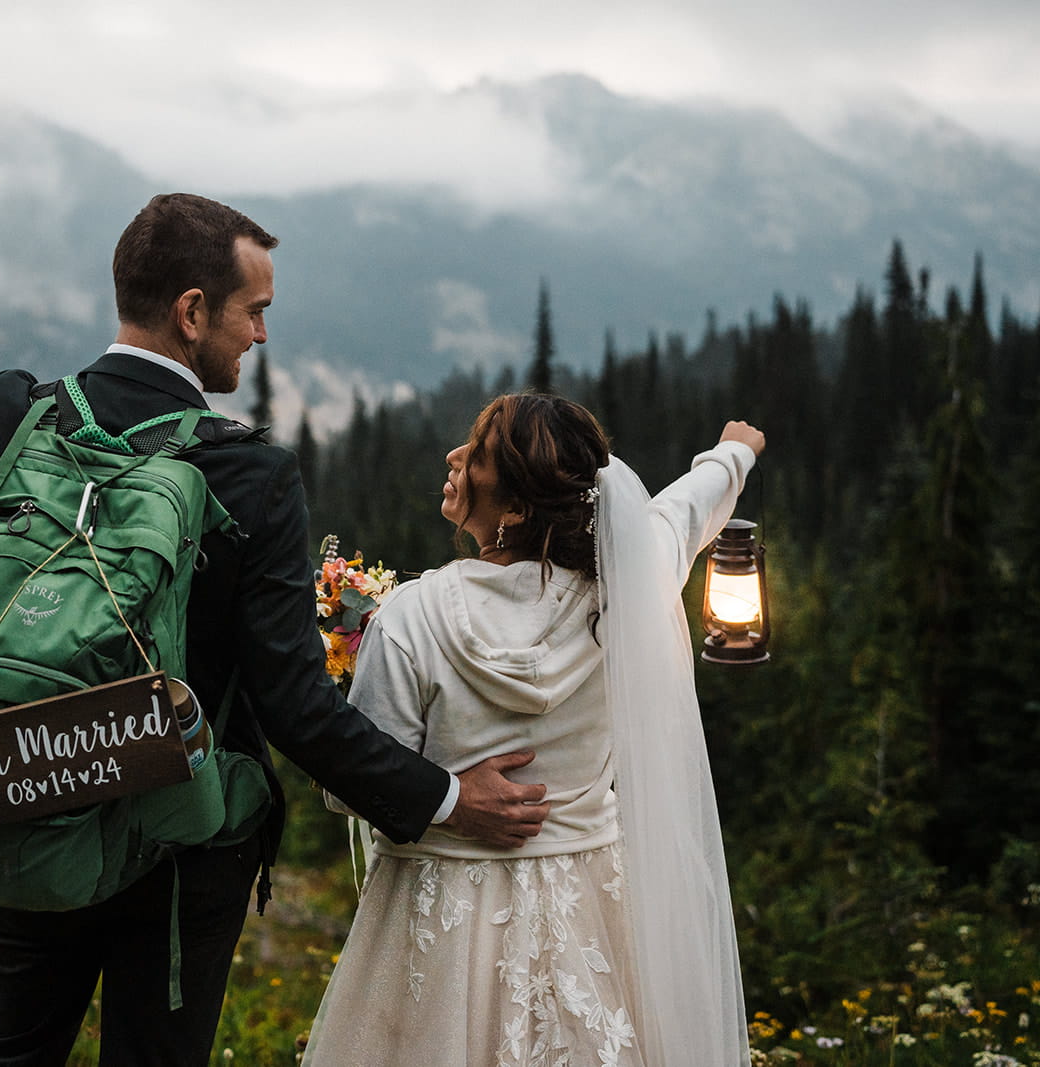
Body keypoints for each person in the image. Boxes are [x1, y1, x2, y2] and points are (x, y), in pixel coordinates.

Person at [0, 192, 551, 1067]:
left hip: (31, 789)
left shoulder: (16, 417)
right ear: (193, 313)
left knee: (19, 1051)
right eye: (254, 311)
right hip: (185, 847)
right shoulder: (248, 474)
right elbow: (295, 710)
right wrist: (450, 798)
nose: (260, 335)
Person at [303, 394, 761, 1067]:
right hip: (592, 916)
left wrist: (448, 796)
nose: (455, 456)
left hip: (441, 922)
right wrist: (734, 455)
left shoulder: (411, 618)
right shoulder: (626, 594)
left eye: (479, 452)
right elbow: (683, 513)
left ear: (514, 509)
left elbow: (353, 786)